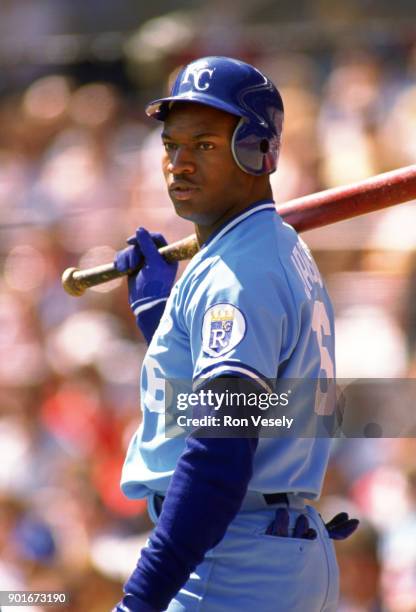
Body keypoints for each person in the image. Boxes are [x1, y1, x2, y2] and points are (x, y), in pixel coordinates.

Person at [112, 56, 357, 612]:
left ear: (257, 151)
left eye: (204, 145)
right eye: (171, 146)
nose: (179, 163)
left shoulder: (237, 275)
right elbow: (265, 412)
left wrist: (141, 599)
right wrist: (163, 320)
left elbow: (217, 458)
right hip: (280, 549)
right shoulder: (277, 250)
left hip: (230, 558)